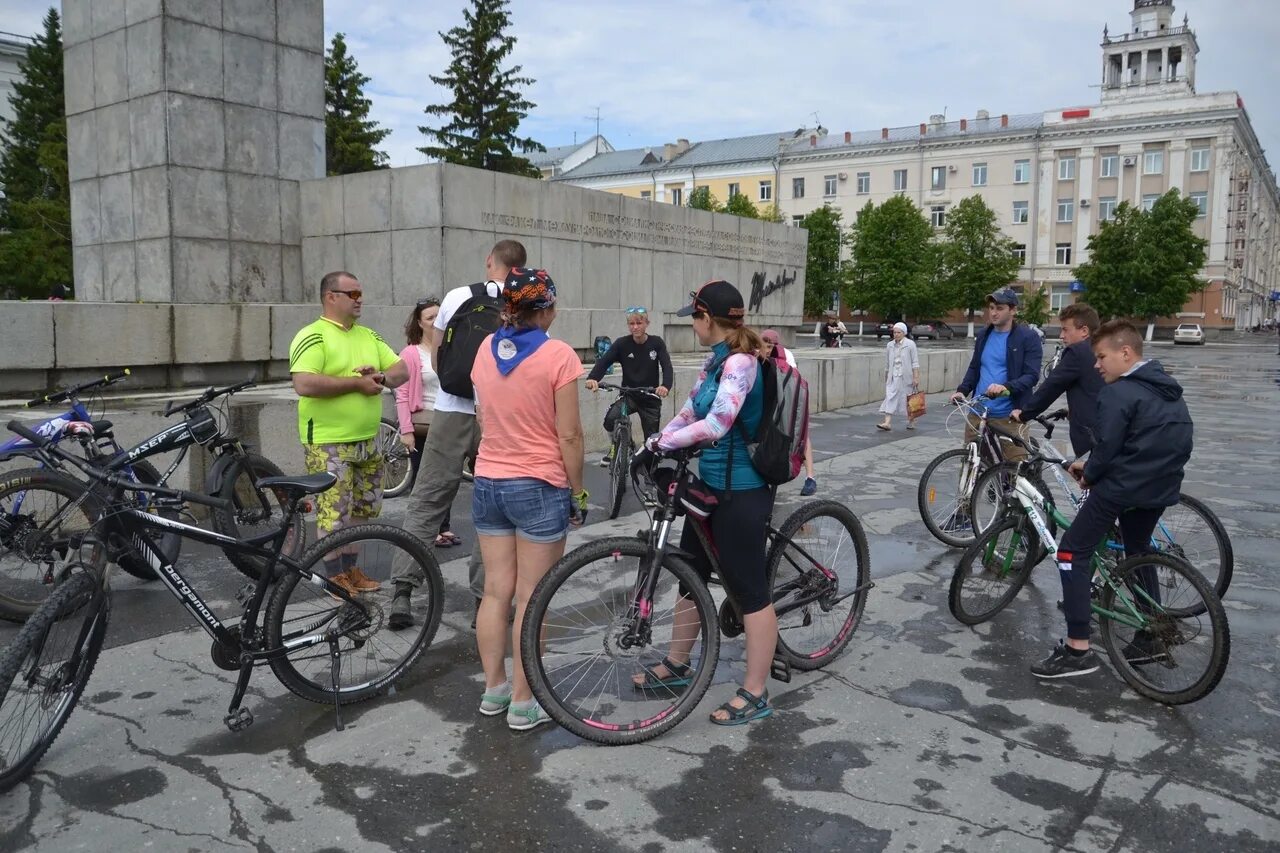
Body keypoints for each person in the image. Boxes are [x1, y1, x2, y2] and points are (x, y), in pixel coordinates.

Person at [634, 279, 778, 726]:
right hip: (712, 486)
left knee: (749, 591)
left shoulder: (740, 363)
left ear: (707, 319)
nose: (691, 325)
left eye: (693, 317)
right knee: (690, 575)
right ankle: (678, 665)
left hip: (744, 489)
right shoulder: (714, 361)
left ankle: (756, 692)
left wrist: (667, 443)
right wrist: (657, 440)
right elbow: (692, 410)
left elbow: (717, 424)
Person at [1035, 320, 1193, 679]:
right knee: (1137, 551)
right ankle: (1151, 631)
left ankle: (1077, 650)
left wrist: (1088, 474)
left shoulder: (1119, 392)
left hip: (1123, 488)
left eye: (1101, 356)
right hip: (1160, 487)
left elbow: (1106, 449)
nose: (1096, 364)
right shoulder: (1167, 390)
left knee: (1071, 552)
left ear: (1125, 353)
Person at [470, 267, 586, 730]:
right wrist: (576, 490)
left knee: (496, 592)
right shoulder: (558, 356)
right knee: (532, 597)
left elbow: (483, 414)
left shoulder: (485, 348)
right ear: (548, 309)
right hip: (538, 483)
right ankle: (524, 702)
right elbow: (571, 435)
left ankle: (494, 689)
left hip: (488, 480)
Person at [390, 239, 527, 630]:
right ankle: (487, 601)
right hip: (498, 418)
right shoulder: (525, 301)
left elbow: (437, 354)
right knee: (493, 507)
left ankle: (402, 590)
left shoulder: (459, 296)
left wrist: (455, 386)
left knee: (428, 499)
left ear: (490, 263)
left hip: (450, 410)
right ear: (521, 267)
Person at [289, 271, 409, 595]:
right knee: (333, 511)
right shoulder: (313, 336)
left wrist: (381, 376)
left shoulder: (368, 335)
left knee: (363, 509)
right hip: (329, 441)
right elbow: (304, 382)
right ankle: (333, 577)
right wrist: (356, 383)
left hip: (368, 439)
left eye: (361, 293)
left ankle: (351, 571)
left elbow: (402, 370)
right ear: (331, 297)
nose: (360, 300)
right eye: (352, 294)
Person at [393, 297, 460, 548]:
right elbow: (401, 394)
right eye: (429, 318)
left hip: (448, 422)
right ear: (419, 324)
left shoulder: (450, 350)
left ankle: (444, 527)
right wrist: (406, 431)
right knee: (425, 481)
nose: (435, 322)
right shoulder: (411, 353)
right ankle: (425, 531)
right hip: (422, 425)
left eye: (438, 316)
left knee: (448, 477)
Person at [949, 287, 1043, 459]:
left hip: (1009, 417)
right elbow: (975, 367)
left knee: (1015, 469)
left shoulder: (1027, 338)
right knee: (973, 466)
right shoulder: (984, 334)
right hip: (977, 414)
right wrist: (962, 390)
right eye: (991, 308)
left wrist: (1005, 387)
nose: (993, 313)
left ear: (1013, 310)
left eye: (999, 308)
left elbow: (1031, 376)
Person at [584, 306, 673, 465]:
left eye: (639, 323)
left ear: (647, 323)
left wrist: (665, 386)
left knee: (651, 446)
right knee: (610, 419)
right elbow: (604, 362)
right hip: (628, 394)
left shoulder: (656, 343)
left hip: (650, 397)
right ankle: (624, 445)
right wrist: (593, 378)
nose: (635, 327)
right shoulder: (622, 344)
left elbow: (667, 366)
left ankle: (649, 477)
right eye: (631, 324)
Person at [1012, 303, 1105, 456]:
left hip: (1098, 432)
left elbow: (1052, 386)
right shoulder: (1100, 348)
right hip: (1112, 426)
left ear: (1084, 331)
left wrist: (1024, 414)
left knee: (1091, 477)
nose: (1061, 335)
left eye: (1065, 329)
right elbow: (1096, 387)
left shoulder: (1077, 351)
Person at [760, 328, 817, 496]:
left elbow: (792, 383)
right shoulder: (755, 353)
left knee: (801, 435)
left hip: (789, 399)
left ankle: (810, 478)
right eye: (766, 345)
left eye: (772, 346)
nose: (769, 349)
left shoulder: (786, 356)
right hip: (769, 399)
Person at [876, 322, 920, 432]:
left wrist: (916, 377)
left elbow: (915, 363)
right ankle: (887, 422)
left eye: (898, 332)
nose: (896, 334)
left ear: (904, 333)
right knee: (890, 396)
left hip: (906, 377)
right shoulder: (890, 345)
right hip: (893, 377)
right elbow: (887, 362)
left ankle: (912, 420)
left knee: (908, 400)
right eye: (894, 332)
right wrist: (887, 375)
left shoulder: (910, 344)